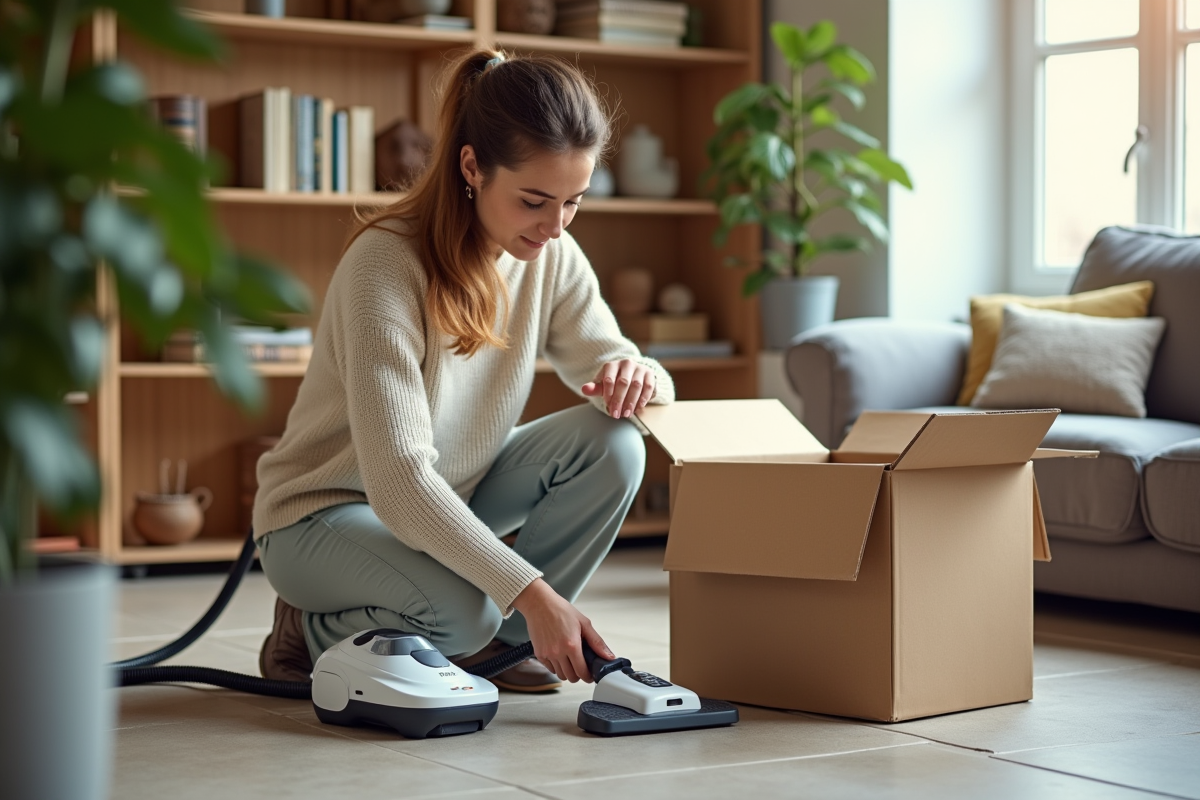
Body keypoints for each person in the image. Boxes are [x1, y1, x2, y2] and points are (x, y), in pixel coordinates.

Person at [252, 49, 675, 692]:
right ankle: (310, 631)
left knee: (614, 442)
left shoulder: (547, 252)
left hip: (449, 495)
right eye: (535, 200)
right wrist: (532, 594)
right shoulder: (384, 266)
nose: (555, 227)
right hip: (323, 515)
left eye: (573, 202)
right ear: (472, 166)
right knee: (467, 607)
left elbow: (617, 361)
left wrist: (639, 375)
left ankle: (496, 649)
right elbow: (396, 482)